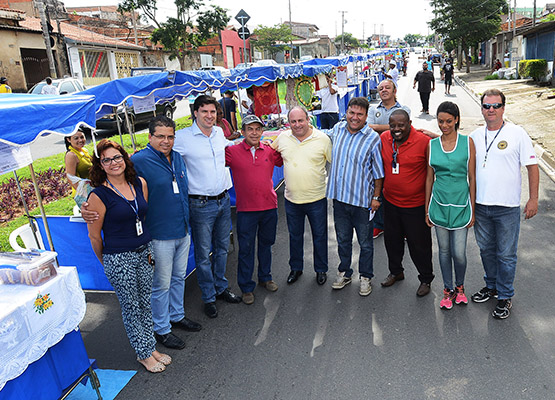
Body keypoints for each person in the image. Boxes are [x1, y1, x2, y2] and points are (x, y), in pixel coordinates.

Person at [86, 139, 170, 373]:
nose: (113, 163)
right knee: (131, 307)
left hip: (145, 251)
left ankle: (150, 347)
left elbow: (142, 215)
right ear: (100, 165)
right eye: (107, 160)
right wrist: (107, 262)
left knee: (145, 303)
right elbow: (94, 236)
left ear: (125, 158)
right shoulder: (98, 195)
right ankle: (143, 354)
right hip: (119, 258)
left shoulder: (139, 183)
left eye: (117, 157)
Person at [130, 116, 202, 349]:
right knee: (161, 284)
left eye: (170, 136)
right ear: (150, 137)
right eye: (160, 136)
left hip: (182, 229)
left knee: (178, 277)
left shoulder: (178, 158)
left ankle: (177, 315)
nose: (166, 141)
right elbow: (116, 184)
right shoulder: (139, 161)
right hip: (159, 234)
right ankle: (161, 329)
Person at [470, 88, 539, 319]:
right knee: (486, 250)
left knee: (506, 254)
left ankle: (505, 296)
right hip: (481, 205)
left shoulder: (517, 133)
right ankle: (491, 286)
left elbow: (532, 167)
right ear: (482, 109)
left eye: (496, 106)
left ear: (503, 108)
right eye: (487, 106)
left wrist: (533, 198)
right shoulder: (475, 136)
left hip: (507, 208)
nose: (491, 110)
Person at [174, 95, 241, 319]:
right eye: (205, 112)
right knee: (203, 254)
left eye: (213, 112)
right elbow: (160, 153)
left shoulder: (219, 133)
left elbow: (231, 149)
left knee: (222, 249)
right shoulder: (182, 138)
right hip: (200, 204)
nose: (210, 116)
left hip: (223, 201)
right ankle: (208, 296)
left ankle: (221, 287)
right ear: (195, 113)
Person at [326, 97, 384, 296]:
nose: (355, 117)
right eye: (352, 112)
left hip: (362, 203)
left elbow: (378, 173)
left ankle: (366, 276)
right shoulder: (337, 130)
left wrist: (376, 197)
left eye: (360, 114)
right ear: (346, 112)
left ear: (366, 116)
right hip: (339, 200)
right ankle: (345, 272)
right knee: (343, 240)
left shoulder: (372, 138)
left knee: (365, 243)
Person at [226, 115, 283, 304]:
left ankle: (265, 277)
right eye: (250, 129)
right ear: (242, 132)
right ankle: (246, 287)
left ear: (262, 131)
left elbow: (286, 157)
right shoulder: (232, 152)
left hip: (269, 207)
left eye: (257, 129)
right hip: (246, 210)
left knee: (266, 244)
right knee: (246, 249)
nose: (254, 132)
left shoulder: (268, 150)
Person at [271, 107, 332, 285]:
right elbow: (270, 152)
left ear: (308, 119)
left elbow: (334, 162)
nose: (297, 125)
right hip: (292, 199)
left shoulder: (322, 139)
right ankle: (296, 268)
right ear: (288, 123)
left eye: (301, 120)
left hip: (317, 199)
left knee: (319, 236)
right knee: (294, 236)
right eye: (293, 121)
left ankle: (321, 269)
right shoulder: (282, 137)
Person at [425, 102, 476, 310]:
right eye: (440, 121)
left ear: (456, 120)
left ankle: (460, 286)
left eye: (448, 121)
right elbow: (429, 178)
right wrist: (425, 208)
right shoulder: (432, 144)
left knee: (459, 253)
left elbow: (472, 177)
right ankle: (447, 289)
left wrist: (473, 209)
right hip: (438, 204)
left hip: (462, 205)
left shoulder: (467, 142)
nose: (444, 125)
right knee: (444, 252)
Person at [380, 109, 434, 296]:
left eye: (401, 125)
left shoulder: (424, 142)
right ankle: (396, 272)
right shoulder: (384, 138)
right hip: (390, 202)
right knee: (392, 241)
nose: (396, 129)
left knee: (419, 245)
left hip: (416, 205)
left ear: (410, 123)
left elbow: (434, 169)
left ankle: (426, 278)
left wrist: (429, 205)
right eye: (393, 125)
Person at [366, 79, 411, 239]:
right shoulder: (372, 110)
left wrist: (379, 128)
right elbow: (368, 128)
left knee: (400, 192)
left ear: (394, 91)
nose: (383, 90)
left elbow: (406, 129)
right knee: (378, 191)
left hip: (399, 156)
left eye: (387, 87)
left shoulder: (404, 109)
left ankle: (403, 226)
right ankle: (379, 225)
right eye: (380, 88)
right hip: (377, 156)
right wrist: (394, 126)